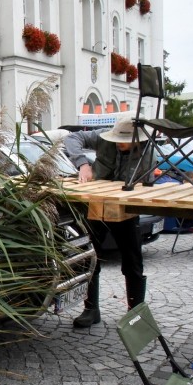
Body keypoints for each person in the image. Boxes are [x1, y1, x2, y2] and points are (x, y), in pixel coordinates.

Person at [63, 117, 154, 328]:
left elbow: (143, 183)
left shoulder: (147, 154)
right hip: (96, 207)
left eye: (125, 140)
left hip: (126, 211)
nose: (120, 143)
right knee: (90, 258)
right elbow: (72, 138)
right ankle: (91, 309)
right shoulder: (104, 137)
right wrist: (83, 164)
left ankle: (135, 314)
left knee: (133, 263)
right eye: (118, 139)